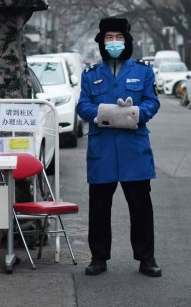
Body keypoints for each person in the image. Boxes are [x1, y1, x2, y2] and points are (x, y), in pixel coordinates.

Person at [76, 17, 162, 277]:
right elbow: (82, 105)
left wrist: (136, 112)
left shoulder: (143, 71)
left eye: (118, 37)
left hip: (134, 150)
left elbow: (152, 101)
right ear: (102, 43)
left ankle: (147, 259)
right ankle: (98, 258)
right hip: (102, 151)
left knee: (141, 208)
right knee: (99, 208)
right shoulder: (91, 74)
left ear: (127, 41)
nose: (114, 43)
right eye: (108, 38)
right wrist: (102, 114)